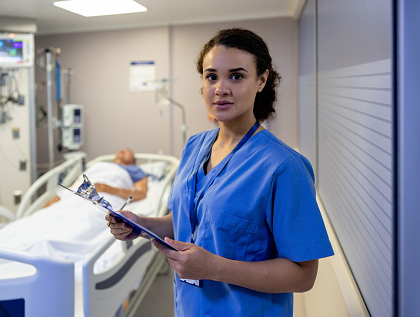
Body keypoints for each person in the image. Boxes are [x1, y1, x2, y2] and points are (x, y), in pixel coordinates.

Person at [106, 28, 333, 316]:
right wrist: (141, 223)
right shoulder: (195, 146)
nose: (220, 88)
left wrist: (213, 268)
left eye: (236, 76)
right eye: (211, 76)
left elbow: (303, 275)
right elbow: (192, 220)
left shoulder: (283, 167)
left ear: (262, 80)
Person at [45, 148, 147, 207]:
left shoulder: (135, 170)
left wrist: (110, 189)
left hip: (104, 194)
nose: (122, 151)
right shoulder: (100, 165)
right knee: (53, 206)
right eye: (120, 151)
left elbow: (141, 194)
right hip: (77, 193)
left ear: (133, 161)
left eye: (127, 151)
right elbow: (76, 185)